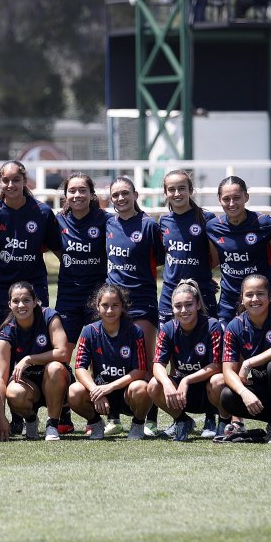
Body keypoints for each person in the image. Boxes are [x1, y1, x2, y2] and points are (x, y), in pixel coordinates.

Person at [106, 176, 165, 435]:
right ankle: (113, 417)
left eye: (125, 193)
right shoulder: (108, 224)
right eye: (116, 195)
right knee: (112, 358)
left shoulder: (149, 226)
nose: (120, 198)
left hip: (142, 301)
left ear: (135, 195)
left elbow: (162, 259)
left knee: (146, 359)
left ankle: (149, 419)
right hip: (113, 304)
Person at [53, 172, 109, 435]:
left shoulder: (104, 220)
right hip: (67, 297)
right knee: (63, 355)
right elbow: (52, 247)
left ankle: (95, 414)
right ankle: (65, 409)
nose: (77, 195)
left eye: (82, 190)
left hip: (97, 299)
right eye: (72, 191)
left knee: (97, 356)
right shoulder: (58, 221)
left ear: (91, 194)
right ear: (66, 195)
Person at [220, 274, 271, 443]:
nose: (255, 299)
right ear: (242, 299)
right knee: (227, 396)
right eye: (249, 294)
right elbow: (227, 371)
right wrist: (244, 393)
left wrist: (249, 362)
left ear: (270, 296)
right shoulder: (235, 326)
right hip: (263, 388)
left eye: (260, 294)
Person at [69, 284, 151, 440]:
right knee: (74, 391)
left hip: (126, 392)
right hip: (100, 394)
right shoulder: (89, 331)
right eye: (105, 305)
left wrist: (109, 387)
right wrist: (95, 390)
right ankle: (95, 424)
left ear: (122, 307)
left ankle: (138, 424)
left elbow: (140, 370)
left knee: (142, 388)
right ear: (97, 307)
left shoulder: (134, 331)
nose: (109, 310)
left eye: (115, 305)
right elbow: (80, 367)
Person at [0, 160, 61, 332]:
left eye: (16, 179)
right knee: (2, 337)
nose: (11, 185)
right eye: (6, 180)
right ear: (0, 182)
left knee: (38, 335)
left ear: (25, 181)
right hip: (1, 285)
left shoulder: (42, 212)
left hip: (34, 284)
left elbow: (57, 249)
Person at [149, 279, 228, 441]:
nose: (183, 310)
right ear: (172, 308)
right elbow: (157, 365)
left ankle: (224, 422)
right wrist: (167, 383)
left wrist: (187, 380)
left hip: (208, 390)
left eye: (189, 305)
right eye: (178, 306)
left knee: (219, 381)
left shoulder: (212, 326)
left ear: (198, 305)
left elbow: (216, 365)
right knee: (154, 385)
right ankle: (182, 420)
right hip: (182, 394)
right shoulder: (168, 329)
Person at [0, 281, 71, 441]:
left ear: (35, 302)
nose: (21, 305)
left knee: (54, 367)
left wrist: (29, 359)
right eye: (16, 301)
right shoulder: (6, 333)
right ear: (9, 304)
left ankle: (52, 425)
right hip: (29, 387)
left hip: (56, 382)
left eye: (26, 300)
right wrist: (0, 416)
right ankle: (31, 420)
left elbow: (62, 352)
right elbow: (0, 378)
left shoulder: (49, 316)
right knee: (13, 392)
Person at [207, 176, 271, 320]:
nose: (232, 203)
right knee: (225, 341)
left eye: (237, 198)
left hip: (262, 299)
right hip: (229, 303)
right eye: (226, 199)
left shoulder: (265, 224)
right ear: (219, 199)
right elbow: (213, 260)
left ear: (246, 197)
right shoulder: (213, 227)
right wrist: (204, 278)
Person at [158, 169, 218, 320]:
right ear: (165, 193)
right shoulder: (164, 221)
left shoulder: (207, 218)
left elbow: (216, 258)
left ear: (190, 190)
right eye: (171, 189)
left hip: (201, 292)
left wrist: (199, 272)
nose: (177, 193)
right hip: (170, 293)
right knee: (168, 342)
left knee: (206, 342)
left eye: (181, 188)